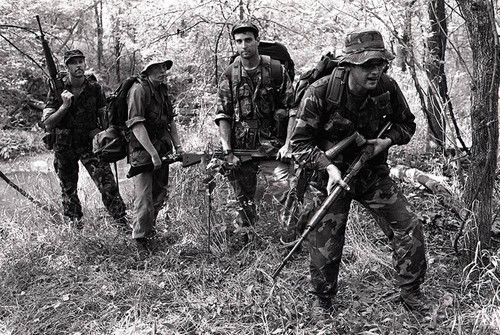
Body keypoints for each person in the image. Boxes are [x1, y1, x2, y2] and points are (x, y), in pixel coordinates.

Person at [290, 29, 428, 316]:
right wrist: (327, 167)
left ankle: (411, 293)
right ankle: (322, 300)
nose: (375, 71)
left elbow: (407, 125)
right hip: (330, 178)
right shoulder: (322, 92)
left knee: (408, 225)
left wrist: (385, 142)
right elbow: (299, 146)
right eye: (367, 65)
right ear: (349, 65)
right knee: (326, 240)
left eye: (380, 64)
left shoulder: (387, 87)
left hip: (371, 173)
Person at [215, 20, 296, 244]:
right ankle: (246, 241)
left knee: (286, 192)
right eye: (239, 41)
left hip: (273, 148)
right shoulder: (229, 74)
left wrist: (288, 143)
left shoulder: (276, 70)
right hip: (241, 149)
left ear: (257, 41)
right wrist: (227, 150)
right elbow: (224, 114)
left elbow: (292, 110)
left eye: (248, 40)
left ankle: (290, 241)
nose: (244, 46)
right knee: (243, 199)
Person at [42, 49, 128, 230]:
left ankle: (122, 222)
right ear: (67, 67)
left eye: (81, 61)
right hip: (64, 145)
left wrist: (109, 134)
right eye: (73, 62)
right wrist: (65, 106)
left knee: (107, 184)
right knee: (68, 189)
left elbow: (103, 116)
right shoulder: (57, 88)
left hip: (89, 143)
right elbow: (48, 124)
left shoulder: (94, 88)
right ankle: (75, 226)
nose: (78, 65)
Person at [126, 58, 184, 255]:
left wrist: (178, 147)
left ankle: (150, 233)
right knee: (143, 197)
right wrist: (152, 154)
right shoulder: (139, 90)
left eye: (163, 67)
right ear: (147, 71)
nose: (162, 71)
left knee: (159, 194)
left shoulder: (162, 90)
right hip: (143, 151)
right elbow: (136, 125)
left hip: (162, 148)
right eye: (157, 68)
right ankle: (140, 242)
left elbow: (171, 121)